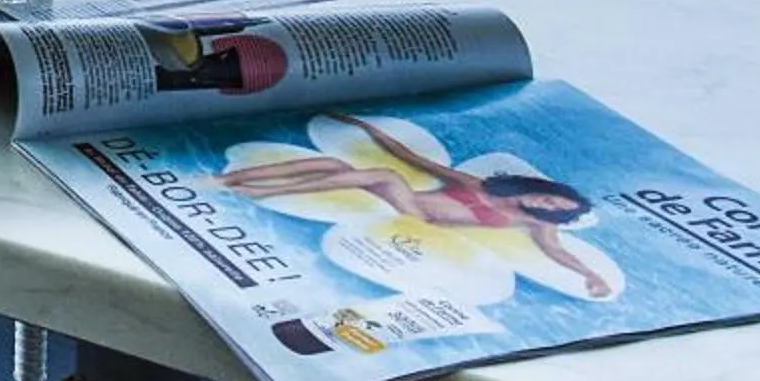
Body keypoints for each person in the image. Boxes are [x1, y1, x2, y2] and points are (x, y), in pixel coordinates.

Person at [214, 112, 613, 299]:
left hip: (417, 216)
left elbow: (558, 252)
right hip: (402, 199)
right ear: (538, 187)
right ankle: (235, 179)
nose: (543, 203)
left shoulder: (532, 224)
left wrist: (591, 276)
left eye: (552, 207)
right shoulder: (482, 186)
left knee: (385, 176)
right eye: (547, 195)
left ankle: (264, 192)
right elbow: (416, 159)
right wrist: (365, 128)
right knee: (336, 165)